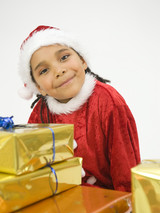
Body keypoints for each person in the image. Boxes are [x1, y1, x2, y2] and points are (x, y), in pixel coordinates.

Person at [18, 25, 141, 192]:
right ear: (39, 87)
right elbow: (32, 167)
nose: (59, 70)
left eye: (64, 57)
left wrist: (127, 212)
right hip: (61, 204)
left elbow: (126, 172)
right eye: (44, 70)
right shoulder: (40, 114)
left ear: (83, 61)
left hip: (108, 204)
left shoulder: (108, 102)